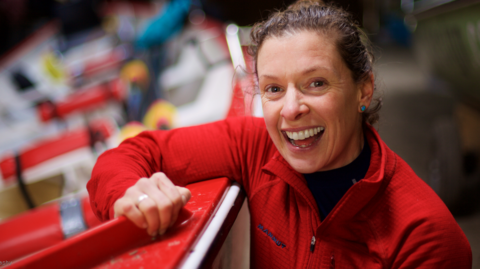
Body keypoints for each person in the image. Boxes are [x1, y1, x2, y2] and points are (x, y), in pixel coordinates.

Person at [87, 1, 472, 267]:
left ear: (363, 89)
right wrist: (131, 194)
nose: (290, 109)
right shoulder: (254, 146)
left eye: (315, 83)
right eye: (273, 89)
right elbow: (124, 157)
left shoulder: (425, 237)